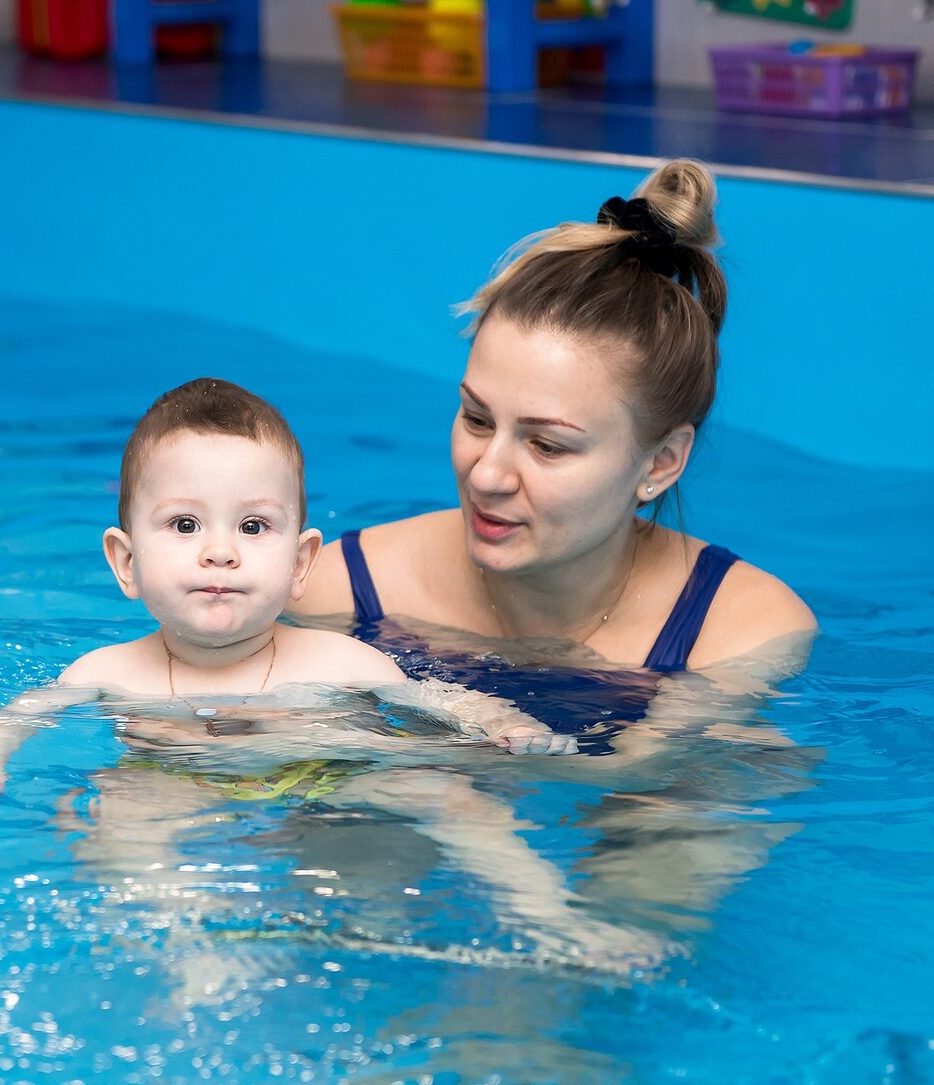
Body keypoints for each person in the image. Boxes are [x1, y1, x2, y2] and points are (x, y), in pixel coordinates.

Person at [292, 159, 816, 740]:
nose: (487, 475)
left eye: (547, 445)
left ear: (660, 462)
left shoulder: (734, 634)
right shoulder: (340, 591)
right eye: (476, 418)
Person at [0, 377, 571, 792]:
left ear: (301, 564)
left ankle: (539, 905)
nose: (220, 552)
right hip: (169, 780)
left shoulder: (343, 659)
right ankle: (188, 951)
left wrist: (500, 724)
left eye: (253, 526)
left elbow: (444, 702)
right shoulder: (105, 672)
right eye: (185, 524)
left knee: (445, 796)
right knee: (125, 816)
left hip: (329, 776)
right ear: (125, 562)